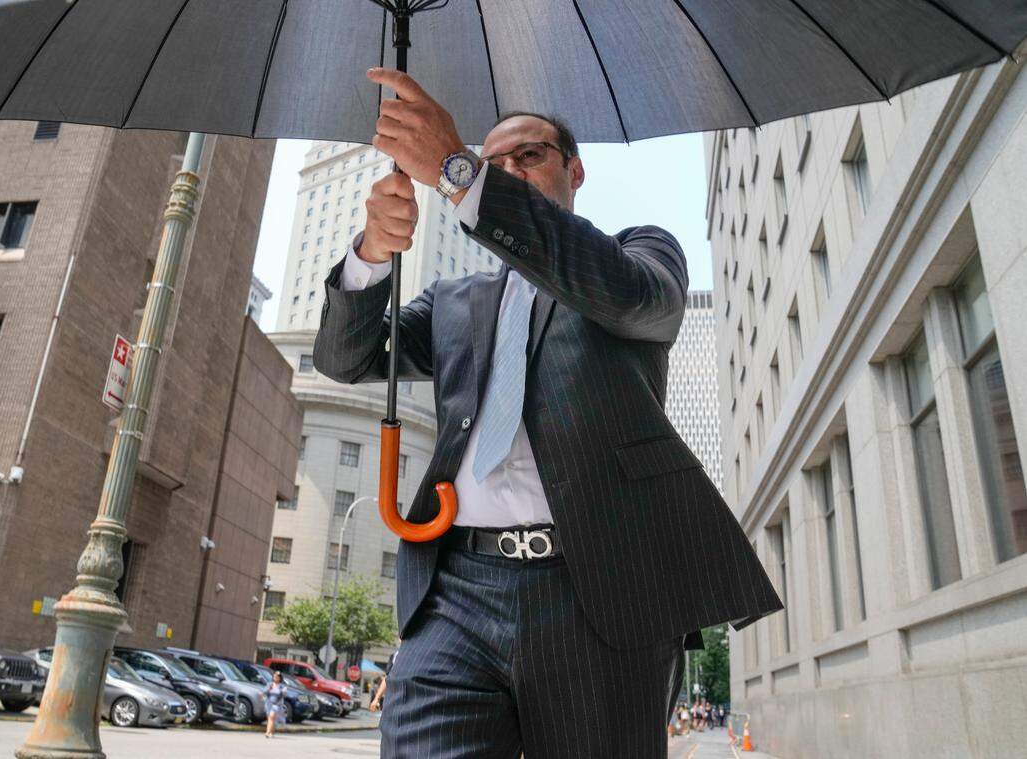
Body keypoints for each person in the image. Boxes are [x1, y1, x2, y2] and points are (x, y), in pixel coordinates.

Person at [313, 66, 784, 758]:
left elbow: (629, 296)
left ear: (575, 171)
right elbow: (346, 358)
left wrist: (460, 170)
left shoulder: (638, 254)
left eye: (527, 156)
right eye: (493, 159)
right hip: (457, 592)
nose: (506, 170)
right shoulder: (454, 300)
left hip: (598, 592)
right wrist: (371, 256)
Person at [263, 671, 286, 739]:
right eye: (274, 676)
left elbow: (284, 695)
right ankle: (271, 732)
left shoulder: (282, 686)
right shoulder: (270, 684)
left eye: (277, 677)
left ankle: (267, 732)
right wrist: (268, 689)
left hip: (277, 704)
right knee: (270, 719)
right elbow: (264, 692)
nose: (275, 678)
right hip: (268, 703)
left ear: (279, 678)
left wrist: (284, 692)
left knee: (272, 717)